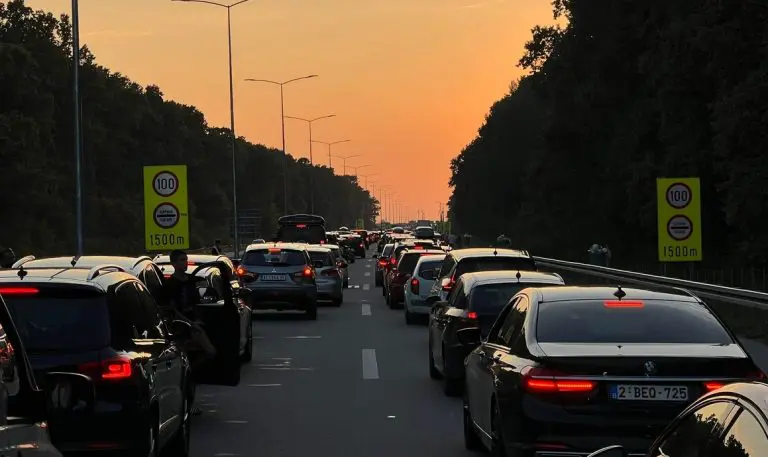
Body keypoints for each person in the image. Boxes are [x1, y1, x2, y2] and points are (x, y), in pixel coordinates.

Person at [161, 250, 217, 415]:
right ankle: (187, 404)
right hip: (179, 327)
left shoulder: (191, 281)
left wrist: (197, 320)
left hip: (194, 325)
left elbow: (196, 303)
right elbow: (173, 310)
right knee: (181, 363)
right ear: (173, 264)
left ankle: (191, 368)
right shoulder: (170, 285)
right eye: (181, 260)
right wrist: (189, 322)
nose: (184, 262)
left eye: (185, 259)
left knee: (211, 351)